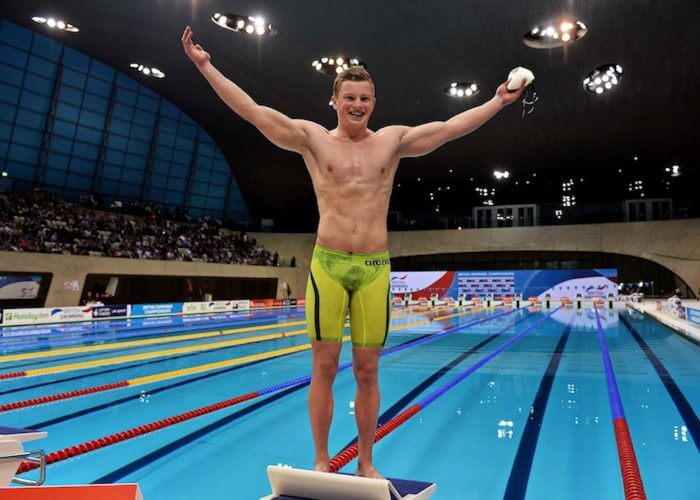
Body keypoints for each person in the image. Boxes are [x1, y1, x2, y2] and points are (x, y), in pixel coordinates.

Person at [182, 26, 524, 478]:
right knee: (323, 365)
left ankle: (365, 462)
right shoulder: (312, 139)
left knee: (367, 370)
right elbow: (253, 112)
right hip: (328, 264)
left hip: (374, 268)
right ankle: (322, 461)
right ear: (335, 101)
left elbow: (448, 130)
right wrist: (207, 66)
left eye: (365, 98)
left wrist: (497, 101)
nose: (357, 106)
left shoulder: (392, 141)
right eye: (350, 98)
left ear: (373, 103)